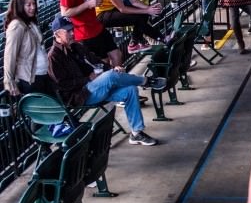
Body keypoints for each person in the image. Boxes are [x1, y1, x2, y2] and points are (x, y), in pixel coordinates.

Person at [47, 14, 165, 146]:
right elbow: (62, 85)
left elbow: (96, 61)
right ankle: (145, 81)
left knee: (130, 90)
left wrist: (112, 68)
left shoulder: (76, 47)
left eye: (72, 29)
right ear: (57, 34)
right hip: (80, 96)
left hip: (96, 87)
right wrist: (87, 79)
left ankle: (136, 133)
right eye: (67, 31)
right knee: (109, 76)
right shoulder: (53, 56)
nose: (72, 33)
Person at [3, 0, 54, 97]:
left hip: (42, 75)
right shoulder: (16, 26)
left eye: (34, 4)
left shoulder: (30, 21)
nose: (33, 7)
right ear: (19, 6)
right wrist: (9, 81)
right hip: (30, 80)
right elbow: (9, 55)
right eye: (28, 5)